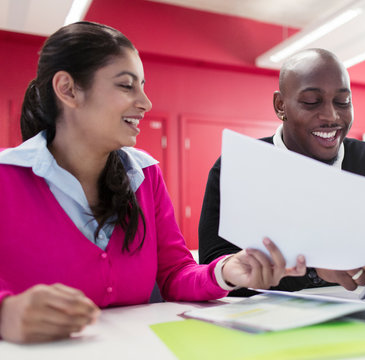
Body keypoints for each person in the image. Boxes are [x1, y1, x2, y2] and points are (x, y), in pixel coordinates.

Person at [0, 21, 306, 344]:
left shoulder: (145, 176)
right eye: (126, 85)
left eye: (142, 86)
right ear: (68, 89)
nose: (145, 102)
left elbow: (175, 274)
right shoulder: (7, 178)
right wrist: (6, 312)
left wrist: (226, 271)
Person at [199, 48, 365, 297]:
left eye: (343, 102)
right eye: (312, 102)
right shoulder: (238, 167)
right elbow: (215, 269)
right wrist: (316, 272)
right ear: (280, 106)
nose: (331, 116)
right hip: (271, 325)